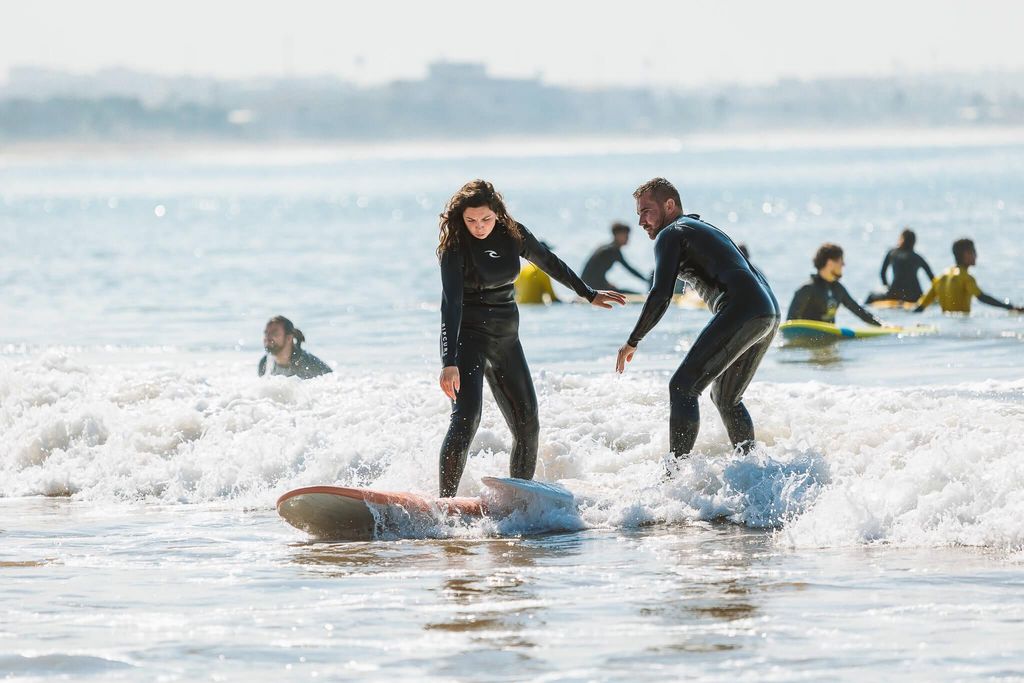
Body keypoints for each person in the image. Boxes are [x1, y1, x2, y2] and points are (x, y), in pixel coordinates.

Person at [438, 180, 625, 497]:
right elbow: (451, 304)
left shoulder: (513, 234)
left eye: (485, 219)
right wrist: (448, 361)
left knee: (528, 425)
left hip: (506, 340)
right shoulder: (455, 246)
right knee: (466, 419)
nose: (479, 226)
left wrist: (588, 293)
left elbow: (549, 262)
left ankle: (518, 498)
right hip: (468, 341)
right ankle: (445, 503)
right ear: (461, 218)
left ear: (497, 213)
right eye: (471, 220)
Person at [615, 178, 780, 460]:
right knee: (725, 397)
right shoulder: (696, 226)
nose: (641, 221)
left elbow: (660, 295)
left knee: (682, 387)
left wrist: (633, 341)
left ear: (669, 205)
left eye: (647, 211)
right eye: (639, 214)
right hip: (768, 311)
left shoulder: (671, 233)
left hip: (743, 307)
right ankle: (752, 469)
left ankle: (675, 475)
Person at [914, 238, 1024, 313]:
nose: (976, 255)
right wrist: (1010, 307)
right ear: (966, 254)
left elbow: (920, 307)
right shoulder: (966, 277)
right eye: (974, 252)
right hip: (962, 325)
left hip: (945, 326)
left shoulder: (941, 278)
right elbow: (982, 297)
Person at [787, 243, 883, 326]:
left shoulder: (838, 289)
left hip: (829, 338)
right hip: (808, 338)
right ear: (830, 263)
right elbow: (789, 323)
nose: (843, 264)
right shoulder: (807, 289)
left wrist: (882, 325)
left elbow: (859, 311)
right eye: (841, 260)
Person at [581, 222, 651, 295]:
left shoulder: (611, 249)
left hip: (591, 286)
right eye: (626, 235)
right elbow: (593, 272)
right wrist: (606, 284)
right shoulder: (609, 251)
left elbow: (629, 269)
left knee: (632, 294)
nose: (628, 238)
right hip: (591, 289)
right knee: (635, 295)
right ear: (617, 235)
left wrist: (646, 280)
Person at [867, 228, 935, 303]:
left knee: (870, 296)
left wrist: (887, 287)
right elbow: (933, 280)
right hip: (916, 296)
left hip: (895, 294)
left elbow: (882, 273)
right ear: (914, 242)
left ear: (901, 239)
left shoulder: (892, 253)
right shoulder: (918, 258)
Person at [258, 315, 333, 379]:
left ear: (289, 338)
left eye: (274, 333)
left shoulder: (309, 365)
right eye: (266, 333)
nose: (267, 337)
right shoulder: (264, 363)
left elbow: (334, 383)